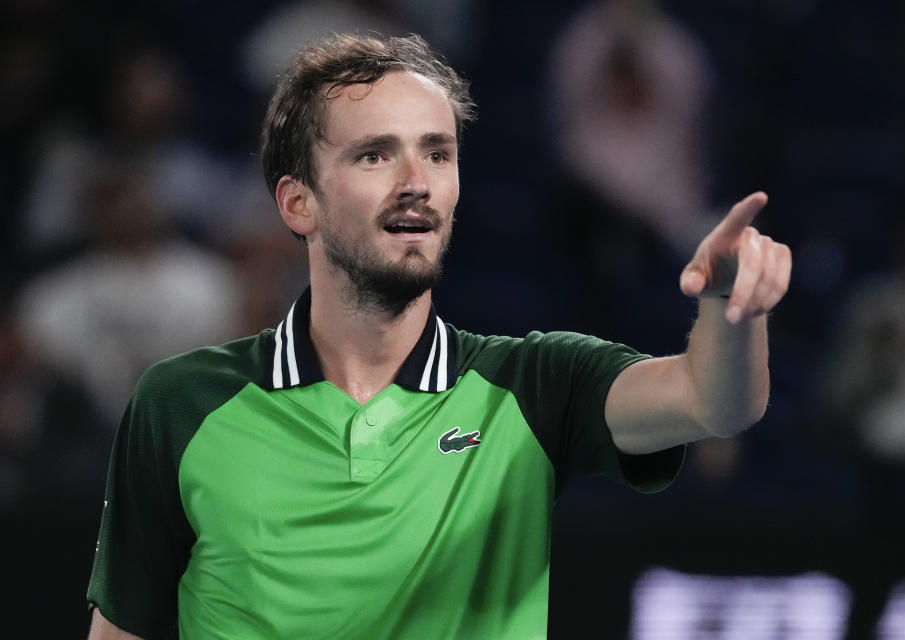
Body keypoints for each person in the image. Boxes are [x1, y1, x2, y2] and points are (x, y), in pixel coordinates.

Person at [86, 33, 792, 640]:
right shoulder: (180, 404)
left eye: (438, 153)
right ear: (298, 201)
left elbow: (714, 402)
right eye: (375, 155)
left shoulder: (534, 386)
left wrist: (732, 304)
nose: (417, 182)